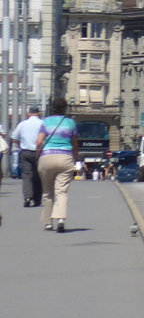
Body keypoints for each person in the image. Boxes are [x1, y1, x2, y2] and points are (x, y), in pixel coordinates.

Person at [37, 98, 80, 233]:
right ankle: (61, 219)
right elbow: (75, 144)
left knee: (47, 192)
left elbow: (39, 142)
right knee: (61, 191)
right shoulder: (70, 123)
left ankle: (48, 222)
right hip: (65, 157)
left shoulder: (45, 122)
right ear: (65, 108)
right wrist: (75, 156)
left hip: (47, 156)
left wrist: (38, 155)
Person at [10, 103, 45, 207]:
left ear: (29, 113)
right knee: (38, 176)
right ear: (38, 113)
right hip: (40, 152)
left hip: (26, 152)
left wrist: (18, 147)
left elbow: (15, 138)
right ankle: (37, 199)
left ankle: (27, 197)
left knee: (27, 175)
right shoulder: (43, 124)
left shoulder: (22, 124)